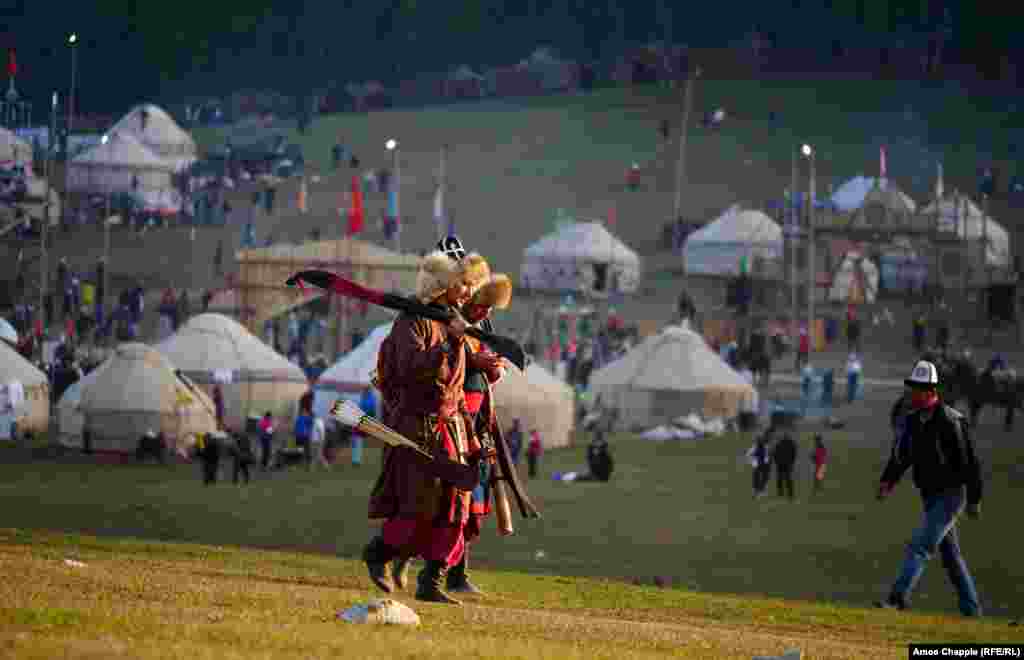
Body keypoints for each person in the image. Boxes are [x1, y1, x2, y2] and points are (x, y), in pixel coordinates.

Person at [361, 249, 492, 605]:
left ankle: (432, 581)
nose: (467, 293)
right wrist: (449, 343)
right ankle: (379, 553)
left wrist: (474, 437)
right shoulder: (411, 322)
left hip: (451, 428)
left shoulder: (452, 323)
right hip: (415, 426)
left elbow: (458, 386)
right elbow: (411, 369)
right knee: (418, 504)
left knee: (456, 505)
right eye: (461, 285)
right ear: (441, 285)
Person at [875, 360, 983, 617]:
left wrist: (974, 499)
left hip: (951, 496)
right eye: (912, 387)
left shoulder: (950, 421)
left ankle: (897, 600)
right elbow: (901, 457)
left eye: (917, 388)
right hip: (929, 495)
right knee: (951, 557)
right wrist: (887, 481)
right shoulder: (912, 421)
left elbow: (969, 462)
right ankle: (972, 611)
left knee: (920, 546)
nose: (912, 393)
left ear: (930, 391)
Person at [772, 430, 798, 500]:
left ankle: (781, 493)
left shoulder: (779, 443)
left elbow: (774, 453)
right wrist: (792, 462)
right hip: (787, 464)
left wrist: (776, 462)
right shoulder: (792, 443)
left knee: (781, 479)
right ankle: (790, 494)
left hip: (781, 464)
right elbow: (794, 454)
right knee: (787, 479)